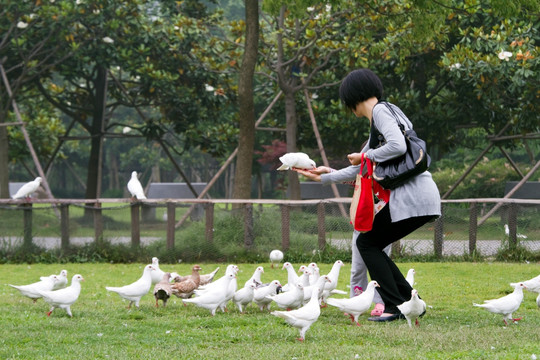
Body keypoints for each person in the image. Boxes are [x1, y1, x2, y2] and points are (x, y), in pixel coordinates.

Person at [294, 68, 441, 322]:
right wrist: (324, 175)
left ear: (352, 98)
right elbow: (360, 170)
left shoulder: (380, 112)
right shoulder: (383, 120)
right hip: (421, 197)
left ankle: (394, 306)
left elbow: (398, 146)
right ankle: (408, 301)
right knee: (372, 245)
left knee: (367, 243)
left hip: (412, 198)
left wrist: (365, 156)